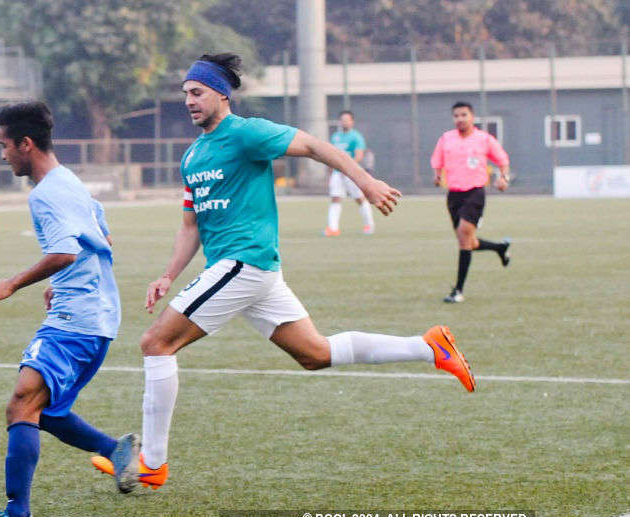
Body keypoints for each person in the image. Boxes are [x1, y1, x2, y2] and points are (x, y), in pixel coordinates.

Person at [91, 53, 476, 491]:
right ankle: (429, 348)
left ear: (221, 94)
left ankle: (151, 464)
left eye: (196, 93)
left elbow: (313, 145)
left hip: (245, 262)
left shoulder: (247, 133)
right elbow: (190, 224)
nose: (189, 101)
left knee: (155, 343)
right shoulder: (193, 155)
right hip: (252, 274)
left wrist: (364, 182)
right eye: (185, 95)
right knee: (315, 354)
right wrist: (167, 275)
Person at [0, 101, 139, 517]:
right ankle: (114, 450)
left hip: (76, 317)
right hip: (96, 314)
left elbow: (66, 250)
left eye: (5, 145)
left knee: (22, 403)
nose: (2, 154)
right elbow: (103, 238)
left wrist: (13, 282)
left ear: (26, 144)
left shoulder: (44, 195)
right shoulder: (71, 182)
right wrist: (62, 281)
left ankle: (17, 515)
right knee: (46, 409)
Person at [431, 101, 512, 303]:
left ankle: (458, 290)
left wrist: (504, 178)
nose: (460, 119)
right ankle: (500, 248)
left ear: (472, 117)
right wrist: (437, 175)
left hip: (475, 193)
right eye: (456, 116)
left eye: (463, 115)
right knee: (468, 241)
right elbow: (437, 161)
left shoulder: (483, 139)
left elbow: (502, 160)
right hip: (454, 195)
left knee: (464, 235)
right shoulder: (446, 139)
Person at [326, 110, 374, 236]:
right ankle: (333, 228)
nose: (344, 122)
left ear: (352, 122)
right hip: (337, 173)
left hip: (351, 173)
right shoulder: (335, 136)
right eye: (342, 120)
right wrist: (331, 172)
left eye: (347, 120)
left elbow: (359, 156)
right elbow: (331, 155)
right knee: (335, 198)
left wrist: (346, 168)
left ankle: (369, 225)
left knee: (359, 198)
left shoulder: (356, 137)